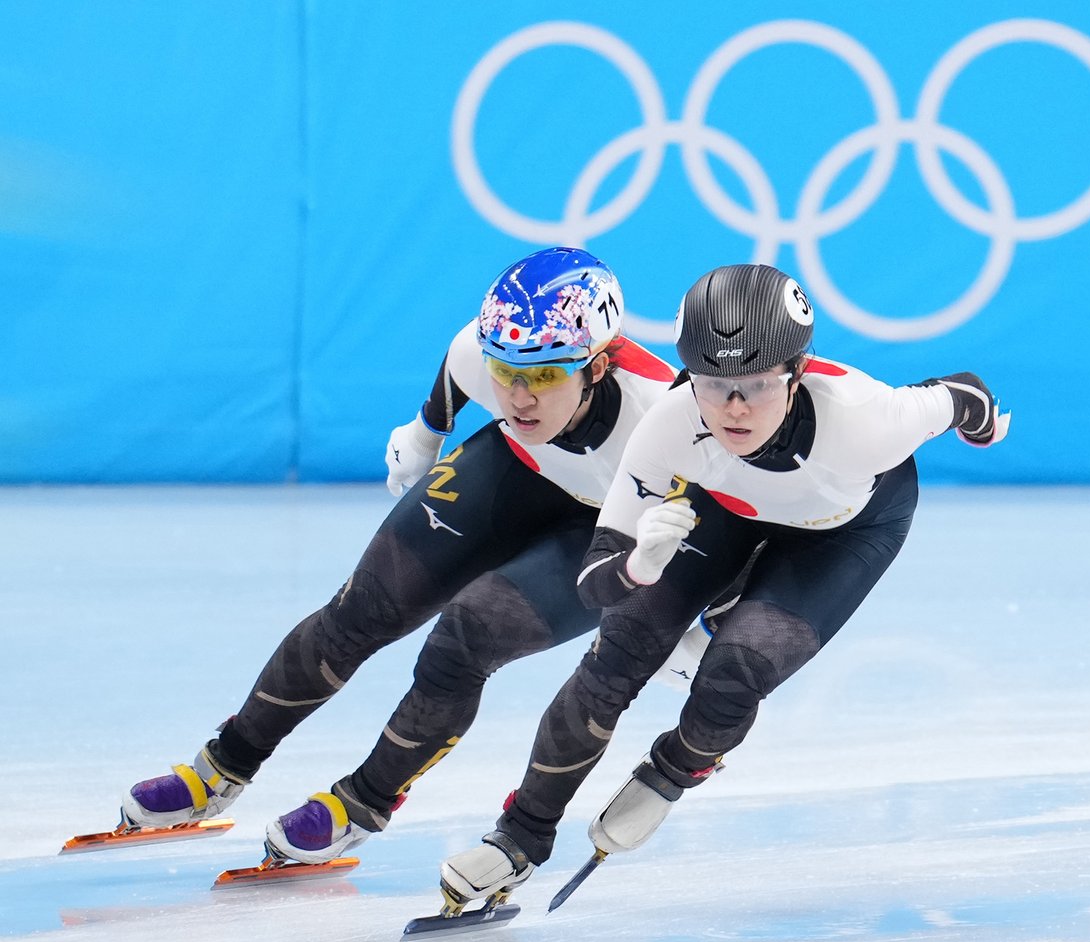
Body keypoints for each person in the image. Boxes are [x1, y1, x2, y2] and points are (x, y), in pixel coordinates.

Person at [439, 262, 1010, 906]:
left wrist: (983, 426)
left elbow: (963, 392)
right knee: (615, 655)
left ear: (796, 373)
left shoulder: (866, 418)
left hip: (843, 532)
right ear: (689, 375)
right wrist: (635, 565)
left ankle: (674, 768)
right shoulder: (671, 423)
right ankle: (518, 837)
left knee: (735, 672)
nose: (733, 408)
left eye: (757, 386)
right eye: (713, 384)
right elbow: (595, 581)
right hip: (726, 509)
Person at [121, 246, 676, 865]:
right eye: (506, 371)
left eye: (544, 375)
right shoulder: (485, 351)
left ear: (598, 367)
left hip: (607, 526)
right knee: (361, 608)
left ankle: (364, 801)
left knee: (465, 639)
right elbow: (461, 362)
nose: (519, 397)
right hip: (519, 470)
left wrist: (690, 617)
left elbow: (725, 521)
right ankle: (223, 765)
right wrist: (425, 433)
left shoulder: (663, 417)